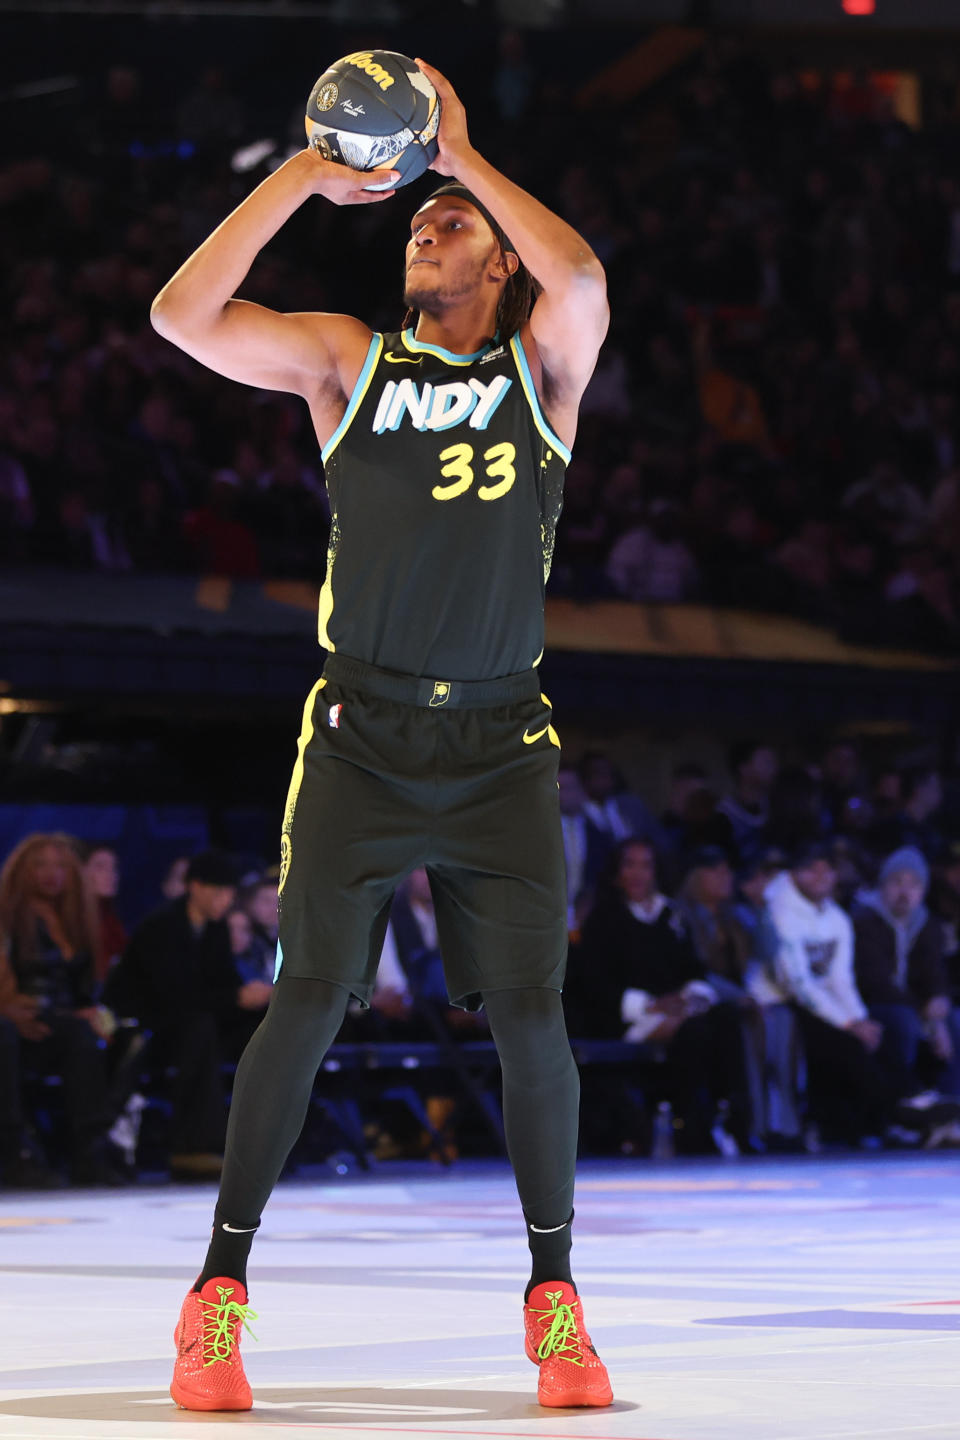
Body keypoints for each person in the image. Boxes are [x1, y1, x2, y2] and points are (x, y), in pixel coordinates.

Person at [151, 58, 612, 1411]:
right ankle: (216, 1298)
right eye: (419, 218)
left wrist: (464, 157)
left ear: (500, 261)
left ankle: (556, 1305)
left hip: (501, 749)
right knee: (310, 999)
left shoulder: (544, 361)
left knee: (533, 1015)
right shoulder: (349, 356)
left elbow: (582, 281)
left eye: (451, 223)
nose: (427, 225)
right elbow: (185, 316)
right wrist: (304, 172)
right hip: (360, 734)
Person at [575, 839, 750, 1154]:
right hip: (624, 1018)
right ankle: (688, 1124)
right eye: (630, 864)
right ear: (617, 871)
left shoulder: (671, 915)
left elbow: (694, 970)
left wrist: (690, 997)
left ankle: (734, 1119)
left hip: (676, 1010)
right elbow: (594, 984)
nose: (639, 873)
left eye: (646, 865)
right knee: (694, 1031)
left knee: (724, 1017)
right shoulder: (604, 918)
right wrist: (650, 1005)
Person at [105, 851, 271, 1177]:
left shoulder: (216, 928)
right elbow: (170, 994)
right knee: (199, 1029)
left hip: (197, 1019)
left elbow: (222, 981)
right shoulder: (161, 927)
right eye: (218, 891)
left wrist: (251, 995)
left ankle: (265, 1140)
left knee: (261, 1030)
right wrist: (235, 996)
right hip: (150, 1025)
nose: (226, 900)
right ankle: (193, 1145)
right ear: (195, 887)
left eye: (230, 893)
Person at [0, 833, 120, 1186]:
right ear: (21, 870)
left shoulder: (77, 920)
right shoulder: (7, 917)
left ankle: (90, 1151)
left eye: (59, 866)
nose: (50, 873)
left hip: (54, 1023)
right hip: (15, 1020)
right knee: (5, 1033)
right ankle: (13, 1151)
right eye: (39, 865)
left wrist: (86, 1014)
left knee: (87, 1035)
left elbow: (81, 991)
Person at [766, 842, 897, 1143]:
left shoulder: (836, 918)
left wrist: (859, 1020)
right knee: (842, 1045)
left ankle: (888, 1119)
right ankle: (870, 1124)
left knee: (878, 1035)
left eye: (827, 869)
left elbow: (841, 979)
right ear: (795, 874)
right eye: (812, 869)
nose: (821, 876)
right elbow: (796, 984)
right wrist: (848, 1024)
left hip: (823, 1004)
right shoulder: (779, 911)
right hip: (779, 1001)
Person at [853, 847, 960, 1098]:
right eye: (897, 882)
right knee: (903, 1022)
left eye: (913, 885)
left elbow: (934, 971)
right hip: (871, 1004)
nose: (904, 892)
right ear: (883, 884)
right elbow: (875, 982)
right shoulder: (864, 919)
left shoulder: (925, 923)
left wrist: (938, 999)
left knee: (955, 1020)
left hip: (912, 1004)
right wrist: (925, 1013)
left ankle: (950, 1105)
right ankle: (902, 1105)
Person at [81, 842, 128, 986]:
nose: (110, 874)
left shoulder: (112, 920)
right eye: (100, 867)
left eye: (113, 868)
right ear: (81, 871)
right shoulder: (75, 919)